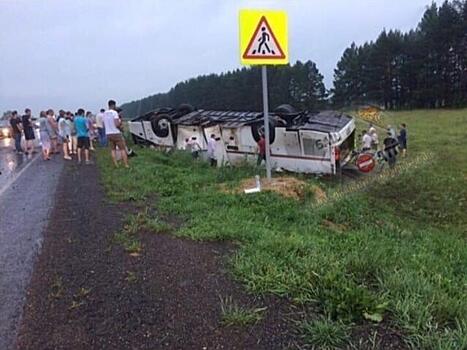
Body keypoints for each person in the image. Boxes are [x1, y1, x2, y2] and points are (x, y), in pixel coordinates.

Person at [103, 99, 129, 168]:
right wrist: (120, 126)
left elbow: (104, 124)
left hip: (108, 133)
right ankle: (126, 164)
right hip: (116, 133)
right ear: (113, 105)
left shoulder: (104, 113)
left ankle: (116, 164)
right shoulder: (114, 113)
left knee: (113, 149)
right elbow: (117, 124)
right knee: (122, 149)